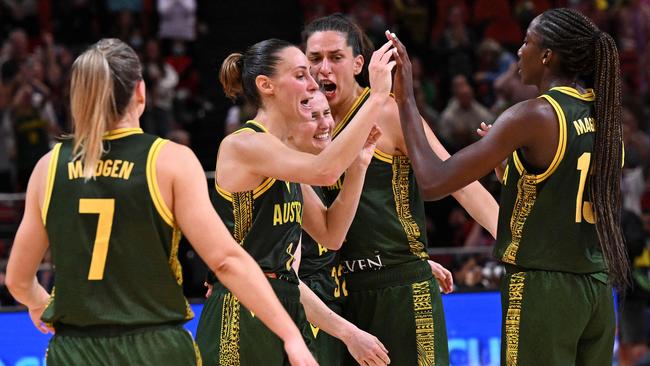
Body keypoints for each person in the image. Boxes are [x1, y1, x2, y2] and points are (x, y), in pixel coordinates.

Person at [5, 38, 316, 366]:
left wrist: (39, 303)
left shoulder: (48, 167)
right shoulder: (169, 160)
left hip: (75, 350)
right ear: (140, 92)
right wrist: (290, 335)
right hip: (155, 347)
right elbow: (226, 260)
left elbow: (18, 280)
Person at [391, 7, 629, 366]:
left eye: (527, 42)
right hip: (595, 287)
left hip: (543, 290)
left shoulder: (533, 115)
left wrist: (405, 99)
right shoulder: (604, 117)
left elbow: (432, 182)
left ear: (547, 56)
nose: (518, 51)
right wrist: (510, 173)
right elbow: (562, 190)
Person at [302, 14, 497, 365]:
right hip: (340, 294)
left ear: (359, 63)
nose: (324, 69)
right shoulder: (304, 128)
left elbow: (459, 182)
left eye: (335, 57)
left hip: (402, 288)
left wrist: (516, 241)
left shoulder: (386, 112)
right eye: (314, 59)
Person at [195, 38, 395, 366]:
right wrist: (375, 97)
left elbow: (331, 234)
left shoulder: (282, 159)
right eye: (301, 74)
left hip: (283, 302)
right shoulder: (244, 144)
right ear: (266, 85)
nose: (314, 82)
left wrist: (359, 165)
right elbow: (327, 171)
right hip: (241, 308)